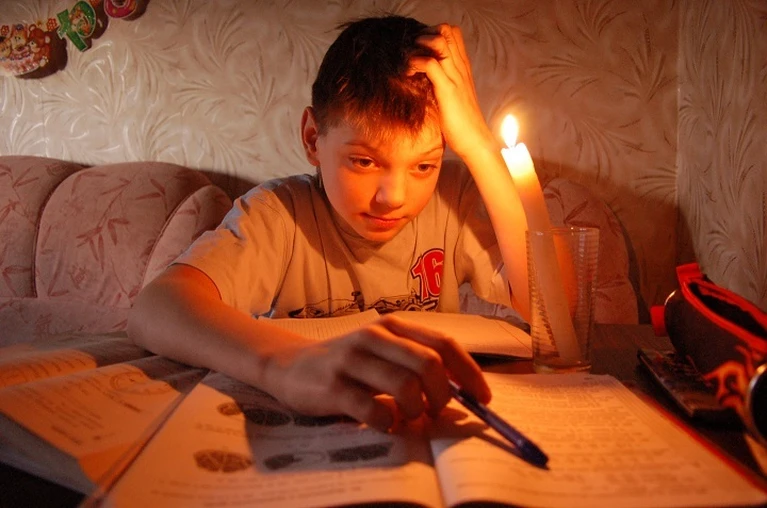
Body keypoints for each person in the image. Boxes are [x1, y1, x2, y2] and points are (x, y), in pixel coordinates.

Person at [128, 15, 529, 432]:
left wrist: (479, 144)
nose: (394, 197)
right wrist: (282, 364)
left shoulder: (453, 200)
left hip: (423, 421)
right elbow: (155, 308)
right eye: (364, 161)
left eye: (424, 165)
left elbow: (551, 308)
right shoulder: (281, 214)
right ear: (312, 139)